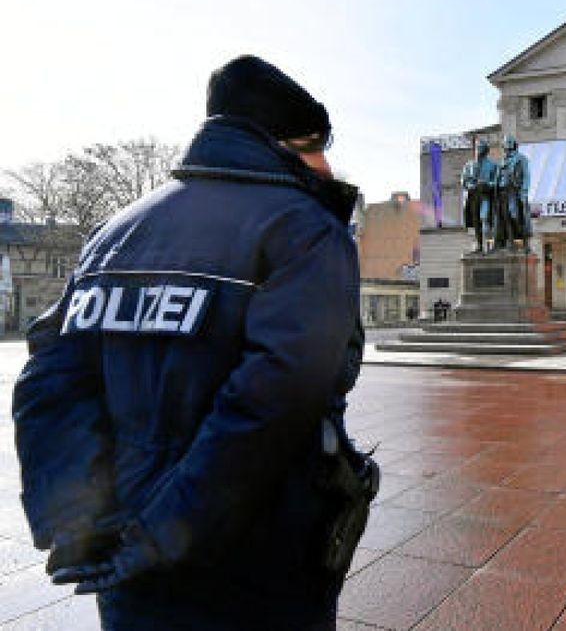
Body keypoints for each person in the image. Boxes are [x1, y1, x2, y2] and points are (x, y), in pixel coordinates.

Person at [12, 55, 377, 629]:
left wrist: (74, 521)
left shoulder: (113, 232)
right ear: (278, 143)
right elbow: (275, 400)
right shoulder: (303, 227)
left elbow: (49, 382)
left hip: (124, 551)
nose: (327, 165)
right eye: (315, 144)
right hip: (260, 553)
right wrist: (166, 531)